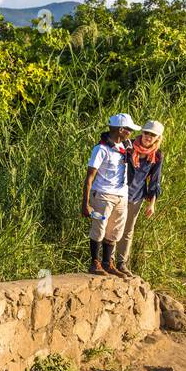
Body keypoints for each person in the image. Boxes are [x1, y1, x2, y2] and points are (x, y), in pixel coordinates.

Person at [81, 113, 139, 277]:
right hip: (103, 195)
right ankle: (95, 263)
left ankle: (108, 263)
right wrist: (85, 203)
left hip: (121, 195)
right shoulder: (101, 149)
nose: (130, 133)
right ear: (120, 129)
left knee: (115, 231)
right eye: (128, 129)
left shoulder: (126, 149)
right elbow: (89, 177)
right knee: (99, 228)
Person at [114, 119, 165, 276]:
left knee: (128, 231)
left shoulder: (157, 155)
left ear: (158, 138)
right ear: (141, 133)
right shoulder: (128, 146)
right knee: (114, 228)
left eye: (152, 135)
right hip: (119, 193)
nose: (148, 136)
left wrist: (152, 204)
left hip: (136, 196)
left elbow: (154, 181)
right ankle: (107, 261)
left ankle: (122, 263)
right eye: (146, 132)